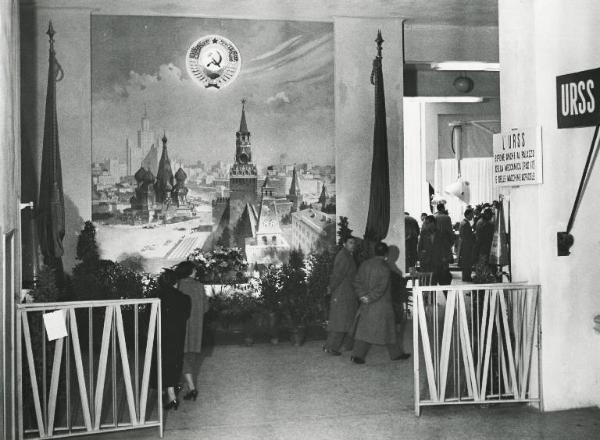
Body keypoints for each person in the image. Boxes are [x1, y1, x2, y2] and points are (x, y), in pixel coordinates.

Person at [350, 242, 409, 364]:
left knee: (364, 331)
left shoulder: (365, 264)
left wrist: (363, 296)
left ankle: (357, 356)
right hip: (382, 306)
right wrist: (369, 297)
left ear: (374, 251)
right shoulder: (385, 267)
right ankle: (396, 354)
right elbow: (381, 288)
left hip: (366, 304)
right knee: (390, 331)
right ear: (386, 254)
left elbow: (356, 281)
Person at [174, 260, 209, 402]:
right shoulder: (200, 286)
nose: (196, 272)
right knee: (191, 356)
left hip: (180, 325)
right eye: (194, 270)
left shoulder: (178, 285)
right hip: (196, 326)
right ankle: (186, 385)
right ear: (188, 271)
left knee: (180, 356)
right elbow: (206, 308)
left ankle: (191, 387)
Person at [159, 268, 191, 410]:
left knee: (163, 364)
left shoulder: (156, 297)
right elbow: (186, 315)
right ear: (176, 283)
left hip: (161, 335)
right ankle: (171, 392)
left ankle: (170, 394)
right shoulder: (184, 298)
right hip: (178, 335)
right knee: (175, 362)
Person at [323, 236, 358, 355]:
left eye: (354, 243)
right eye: (350, 242)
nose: (353, 245)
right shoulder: (344, 257)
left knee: (340, 320)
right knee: (340, 322)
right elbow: (337, 275)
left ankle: (329, 346)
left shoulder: (347, 255)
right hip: (342, 293)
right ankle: (332, 348)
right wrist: (331, 288)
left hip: (346, 292)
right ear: (344, 244)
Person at [418, 215, 452, 286]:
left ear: (433, 223)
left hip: (440, 265)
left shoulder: (442, 234)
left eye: (427, 223)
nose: (425, 225)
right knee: (429, 287)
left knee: (445, 287)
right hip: (428, 265)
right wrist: (423, 257)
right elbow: (420, 248)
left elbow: (447, 248)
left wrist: (445, 259)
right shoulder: (423, 233)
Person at [458, 207, 475, 282]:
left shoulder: (463, 222)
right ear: (467, 215)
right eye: (471, 215)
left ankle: (466, 276)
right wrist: (473, 234)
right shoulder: (465, 224)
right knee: (467, 262)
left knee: (466, 261)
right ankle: (466, 277)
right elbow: (467, 235)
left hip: (464, 244)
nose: (472, 216)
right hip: (466, 245)